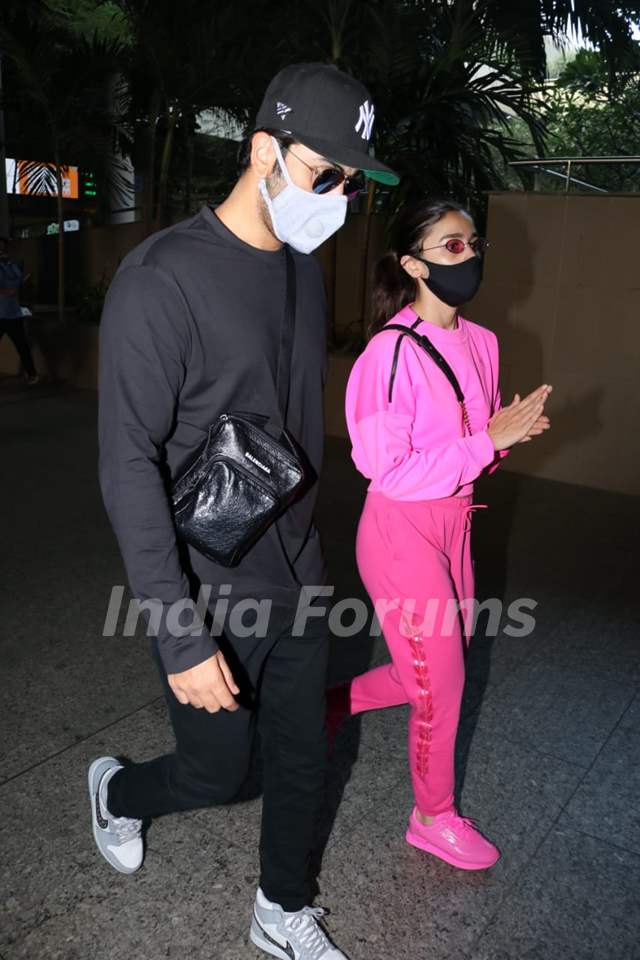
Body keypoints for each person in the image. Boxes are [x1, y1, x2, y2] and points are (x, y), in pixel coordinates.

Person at [89, 63, 398, 960]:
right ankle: (117, 791)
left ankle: (281, 908)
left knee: (303, 757)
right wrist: (181, 634)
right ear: (263, 148)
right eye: (323, 173)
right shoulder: (160, 282)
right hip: (209, 584)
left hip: (299, 570)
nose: (338, 195)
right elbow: (127, 466)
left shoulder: (303, 270)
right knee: (221, 773)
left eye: (352, 180)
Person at [329, 199, 552, 870]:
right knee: (443, 684)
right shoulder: (387, 352)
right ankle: (433, 815)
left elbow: (473, 448)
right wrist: (487, 439)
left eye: (473, 243)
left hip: (456, 524)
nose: (471, 256)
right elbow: (385, 471)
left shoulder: (483, 343)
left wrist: (502, 438)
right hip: (400, 532)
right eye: (452, 246)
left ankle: (326, 704)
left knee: (422, 666)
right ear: (411, 264)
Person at [0, 238, 40, 384]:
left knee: (22, 346)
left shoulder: (11, 265)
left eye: (3, 248)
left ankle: (32, 374)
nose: (1, 251)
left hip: (13, 314)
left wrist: (11, 287)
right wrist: (9, 288)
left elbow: (19, 281)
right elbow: (10, 287)